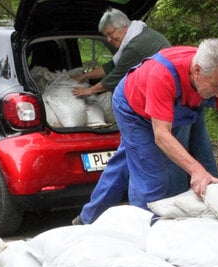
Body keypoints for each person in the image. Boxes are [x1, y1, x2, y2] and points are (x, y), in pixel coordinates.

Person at [78, 37, 218, 223]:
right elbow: (161, 135)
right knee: (153, 178)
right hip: (134, 109)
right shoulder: (163, 74)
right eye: (216, 87)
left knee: (132, 160)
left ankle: (89, 216)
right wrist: (196, 170)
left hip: (175, 110)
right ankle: (145, 233)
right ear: (197, 71)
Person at [70, 8, 170, 225]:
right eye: (105, 35)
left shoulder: (137, 44)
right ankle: (96, 216)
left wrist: (88, 91)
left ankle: (135, 219)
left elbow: (115, 77)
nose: (109, 39)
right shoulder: (139, 36)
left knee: (140, 166)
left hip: (153, 108)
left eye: (110, 33)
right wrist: (85, 76)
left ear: (123, 26)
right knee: (129, 160)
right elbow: (111, 66)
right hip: (141, 108)